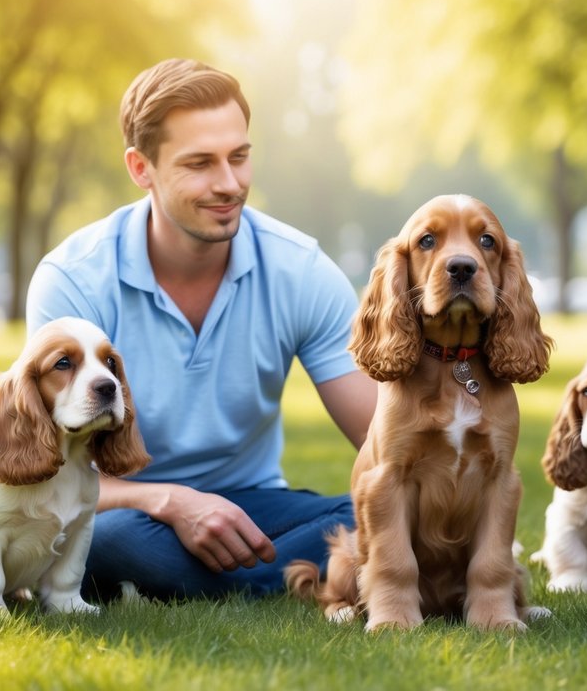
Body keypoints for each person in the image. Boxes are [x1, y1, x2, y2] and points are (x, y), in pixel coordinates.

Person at [25, 58, 376, 601]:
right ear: (141, 168)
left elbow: (386, 444)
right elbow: (48, 472)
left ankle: (204, 583)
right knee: (113, 540)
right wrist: (168, 501)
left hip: (252, 507)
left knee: (373, 510)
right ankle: (312, 575)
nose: (230, 184)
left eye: (239, 157)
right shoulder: (74, 280)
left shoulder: (301, 270)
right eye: (200, 164)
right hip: (123, 507)